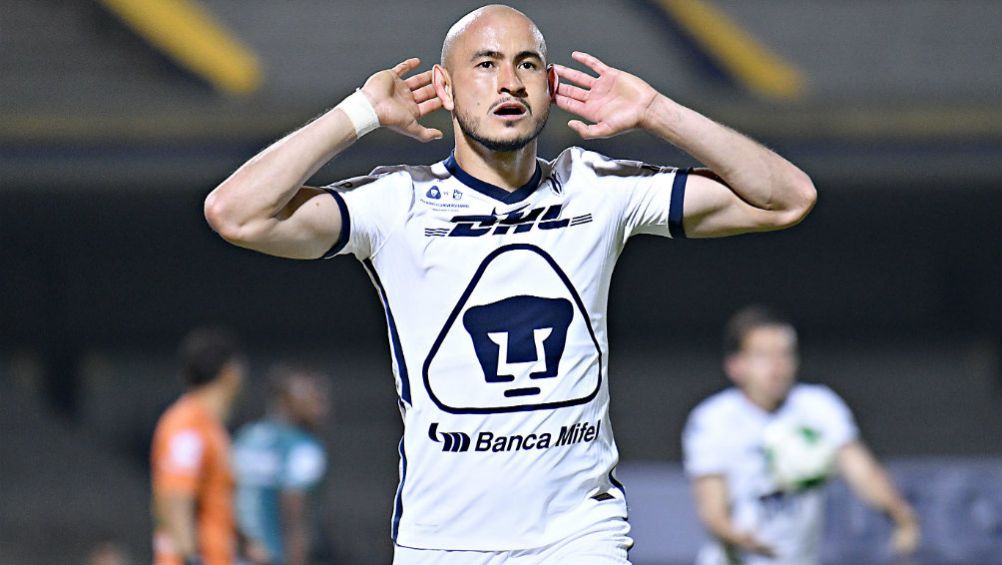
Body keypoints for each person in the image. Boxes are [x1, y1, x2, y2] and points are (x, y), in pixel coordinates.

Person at [203, 5, 816, 563]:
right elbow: (235, 213)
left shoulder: (598, 190)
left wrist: (658, 112)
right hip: (442, 542)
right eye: (485, 64)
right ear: (443, 88)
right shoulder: (397, 203)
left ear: (550, 87)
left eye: (527, 64)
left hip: (580, 537)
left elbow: (787, 200)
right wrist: (358, 114)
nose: (508, 81)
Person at [682, 306, 920, 565]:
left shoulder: (819, 406)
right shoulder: (712, 419)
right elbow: (712, 509)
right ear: (735, 365)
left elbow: (862, 472)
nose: (777, 366)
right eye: (763, 355)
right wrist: (740, 538)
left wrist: (899, 512)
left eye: (784, 354)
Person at [151, 327, 245, 565]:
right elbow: (176, 498)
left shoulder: (210, 427)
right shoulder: (187, 426)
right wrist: (191, 558)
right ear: (229, 373)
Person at [233, 366, 330, 565]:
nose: (321, 406)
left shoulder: (247, 436)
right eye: (314, 396)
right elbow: (293, 512)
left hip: (235, 554)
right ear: (289, 400)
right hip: (273, 556)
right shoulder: (303, 448)